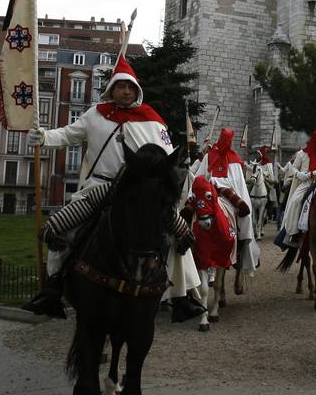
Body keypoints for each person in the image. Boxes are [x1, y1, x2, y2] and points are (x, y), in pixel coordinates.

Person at [23, 54, 200, 320]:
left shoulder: (152, 119)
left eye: (130, 87)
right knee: (58, 229)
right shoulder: (95, 115)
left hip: (138, 191)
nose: (126, 91)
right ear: (111, 90)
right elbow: (68, 134)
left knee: (179, 233)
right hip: (100, 188)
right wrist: (44, 136)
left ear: (137, 90)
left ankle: (180, 296)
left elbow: (165, 160)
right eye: (120, 86)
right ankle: (53, 288)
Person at [195, 128, 259, 281]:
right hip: (209, 195)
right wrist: (208, 181)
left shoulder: (235, 160)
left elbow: (238, 184)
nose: (227, 143)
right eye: (225, 139)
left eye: (229, 140)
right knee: (192, 213)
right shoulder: (208, 157)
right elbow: (198, 178)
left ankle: (242, 248)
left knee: (246, 218)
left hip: (229, 196)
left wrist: (221, 184)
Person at [280, 129, 316, 247]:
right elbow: (293, 169)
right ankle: (294, 232)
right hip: (306, 182)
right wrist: (304, 175)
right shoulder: (302, 154)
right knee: (295, 201)